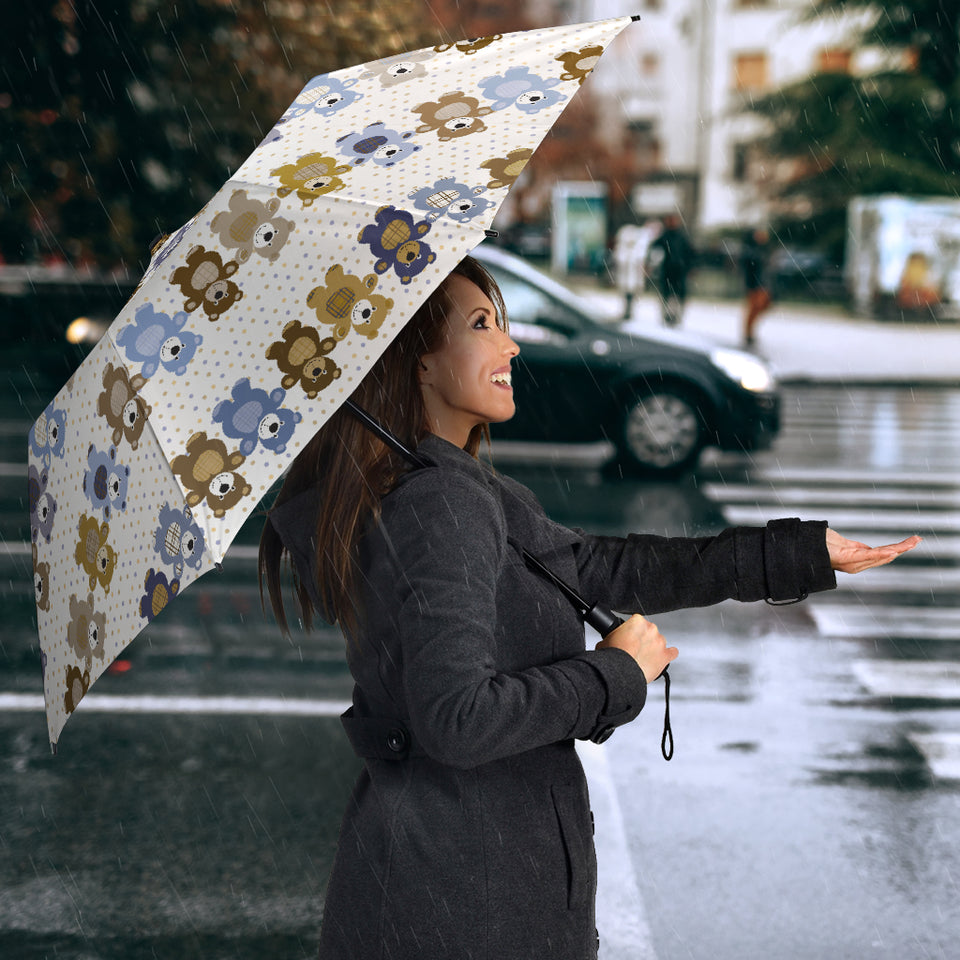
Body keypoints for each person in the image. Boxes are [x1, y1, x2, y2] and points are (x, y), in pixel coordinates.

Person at [259, 256, 919, 960]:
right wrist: (613, 673)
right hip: (466, 902)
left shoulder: (451, 488)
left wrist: (796, 554)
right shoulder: (439, 504)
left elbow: (603, 567)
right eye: (482, 325)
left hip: (452, 883)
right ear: (417, 363)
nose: (510, 345)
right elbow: (457, 720)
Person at [648, 213, 695, 327]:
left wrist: (690, 267)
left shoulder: (681, 237)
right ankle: (667, 315)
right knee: (667, 294)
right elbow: (654, 249)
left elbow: (690, 253)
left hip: (679, 271)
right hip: (668, 270)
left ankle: (675, 316)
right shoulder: (665, 236)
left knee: (677, 295)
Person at [741, 226, 772, 347]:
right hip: (754, 284)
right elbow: (750, 265)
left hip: (763, 283)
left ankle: (750, 331)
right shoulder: (750, 250)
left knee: (762, 306)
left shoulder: (763, 249)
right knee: (754, 308)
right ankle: (748, 333)